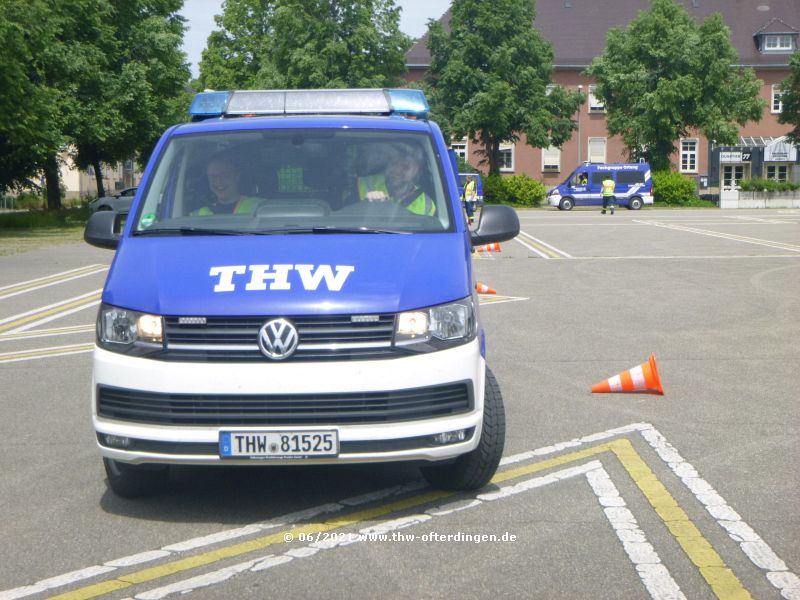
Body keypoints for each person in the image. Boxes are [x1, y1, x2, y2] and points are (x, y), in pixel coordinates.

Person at [357, 143, 436, 216]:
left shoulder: (427, 204)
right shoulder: (362, 185)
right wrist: (365, 205)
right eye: (394, 163)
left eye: (405, 167)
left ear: (416, 171)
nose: (397, 170)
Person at [192, 155, 261, 215]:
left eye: (224, 175)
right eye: (213, 177)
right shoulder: (199, 214)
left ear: (237, 176)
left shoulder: (259, 207)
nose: (218, 181)